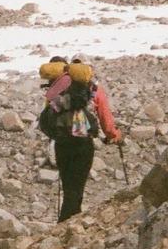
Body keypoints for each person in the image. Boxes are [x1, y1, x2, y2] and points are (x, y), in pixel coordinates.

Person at [41, 55, 122, 222]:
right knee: (76, 190)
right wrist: (114, 135)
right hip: (83, 144)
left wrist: (55, 135)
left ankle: (67, 224)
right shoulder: (93, 88)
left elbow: (47, 117)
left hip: (62, 144)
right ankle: (66, 226)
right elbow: (105, 119)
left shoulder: (56, 87)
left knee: (69, 187)